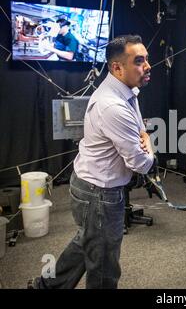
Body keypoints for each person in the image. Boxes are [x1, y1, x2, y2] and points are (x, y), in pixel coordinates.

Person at [28, 34, 154, 289]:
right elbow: (140, 164)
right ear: (117, 67)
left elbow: (140, 126)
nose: (147, 66)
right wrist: (149, 148)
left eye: (147, 59)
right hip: (99, 194)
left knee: (87, 242)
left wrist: (143, 136)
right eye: (139, 61)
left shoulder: (129, 89)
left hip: (91, 186)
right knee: (105, 266)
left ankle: (45, 286)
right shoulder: (112, 106)